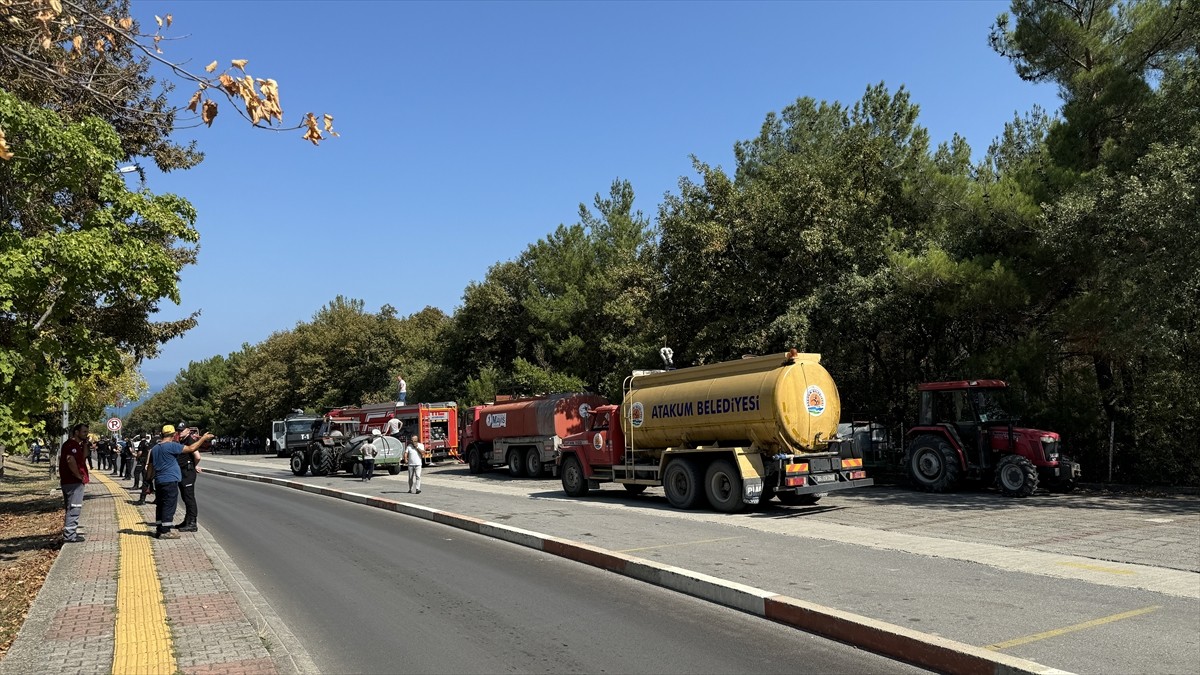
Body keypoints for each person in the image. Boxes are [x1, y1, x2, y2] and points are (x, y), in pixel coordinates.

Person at [149, 425, 210, 538]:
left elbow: (150, 468)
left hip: (159, 480)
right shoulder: (173, 446)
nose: (179, 432)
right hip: (170, 480)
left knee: (161, 504)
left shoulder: (155, 449)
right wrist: (203, 439)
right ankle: (165, 531)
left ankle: (160, 528)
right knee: (169, 505)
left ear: (162, 434)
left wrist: (148, 481)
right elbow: (191, 449)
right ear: (173, 435)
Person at [59, 423, 90, 543]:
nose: (86, 434)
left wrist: (85, 444)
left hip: (73, 482)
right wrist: (78, 476)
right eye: (84, 432)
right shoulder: (71, 445)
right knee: (74, 508)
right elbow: (70, 460)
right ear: (76, 432)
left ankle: (71, 533)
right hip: (73, 482)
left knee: (71, 508)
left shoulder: (78, 445)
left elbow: (84, 456)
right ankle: (70, 536)